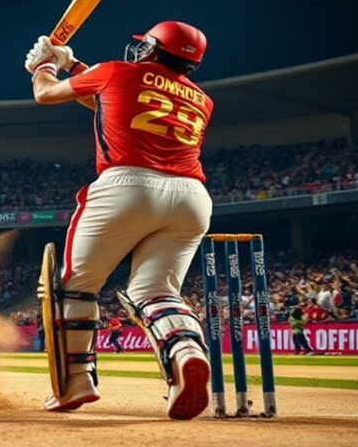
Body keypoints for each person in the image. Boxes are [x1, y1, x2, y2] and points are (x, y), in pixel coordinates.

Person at [24, 21, 213, 419]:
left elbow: (45, 95)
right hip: (192, 198)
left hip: (128, 185)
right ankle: (186, 354)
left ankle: (75, 384)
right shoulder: (201, 99)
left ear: (150, 48)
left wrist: (43, 67)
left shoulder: (115, 70)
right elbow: (115, 103)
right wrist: (73, 64)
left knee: (74, 287)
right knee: (155, 291)